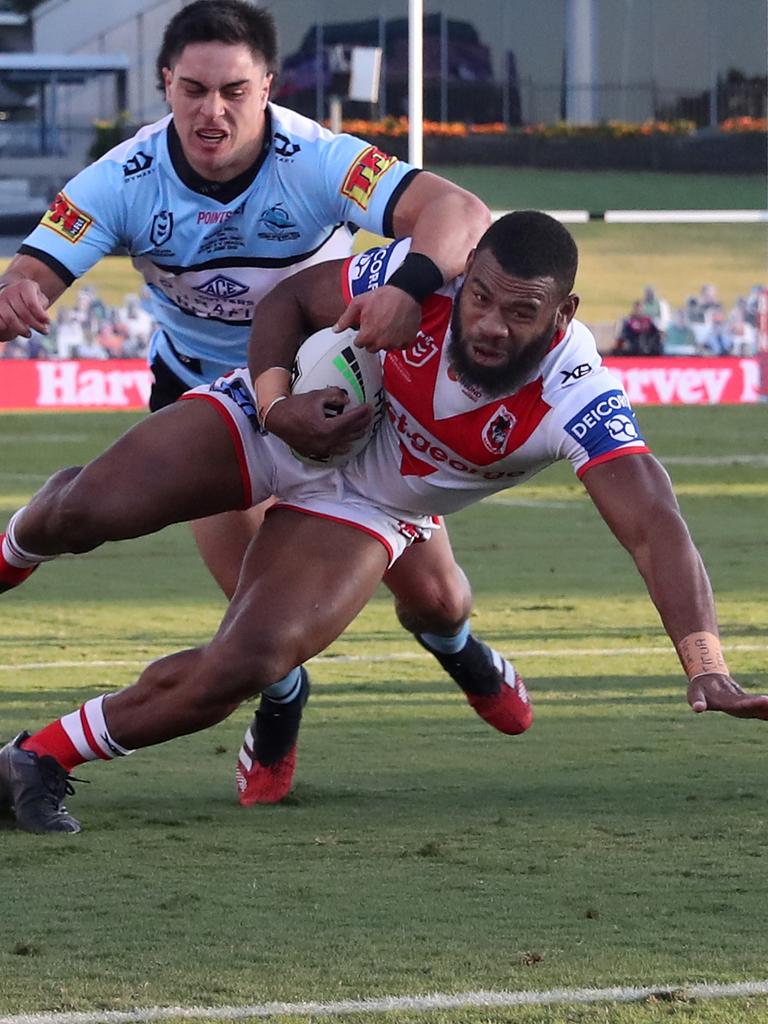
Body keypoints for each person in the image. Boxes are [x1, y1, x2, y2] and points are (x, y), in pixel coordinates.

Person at [1, 210, 766, 835]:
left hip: (371, 504)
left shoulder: (576, 390)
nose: (491, 324)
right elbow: (291, 302)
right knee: (87, 507)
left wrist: (705, 664)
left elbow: (653, 521)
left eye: (522, 312)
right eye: (482, 299)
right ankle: (8, 555)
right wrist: (276, 404)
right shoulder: (424, 283)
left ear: (561, 315)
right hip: (280, 417)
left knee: (253, 659)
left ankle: (36, 758)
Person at [0, 0, 492, 804]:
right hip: (206, 400)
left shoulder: (317, 159)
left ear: (268, 86)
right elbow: (32, 273)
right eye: (192, 89)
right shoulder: (121, 178)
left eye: (234, 90)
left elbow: (461, 213)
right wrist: (16, 295)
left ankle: (458, 645)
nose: (212, 110)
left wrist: (406, 288)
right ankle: (283, 704)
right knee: (256, 627)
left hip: (341, 404)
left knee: (437, 596)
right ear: (165, 85)